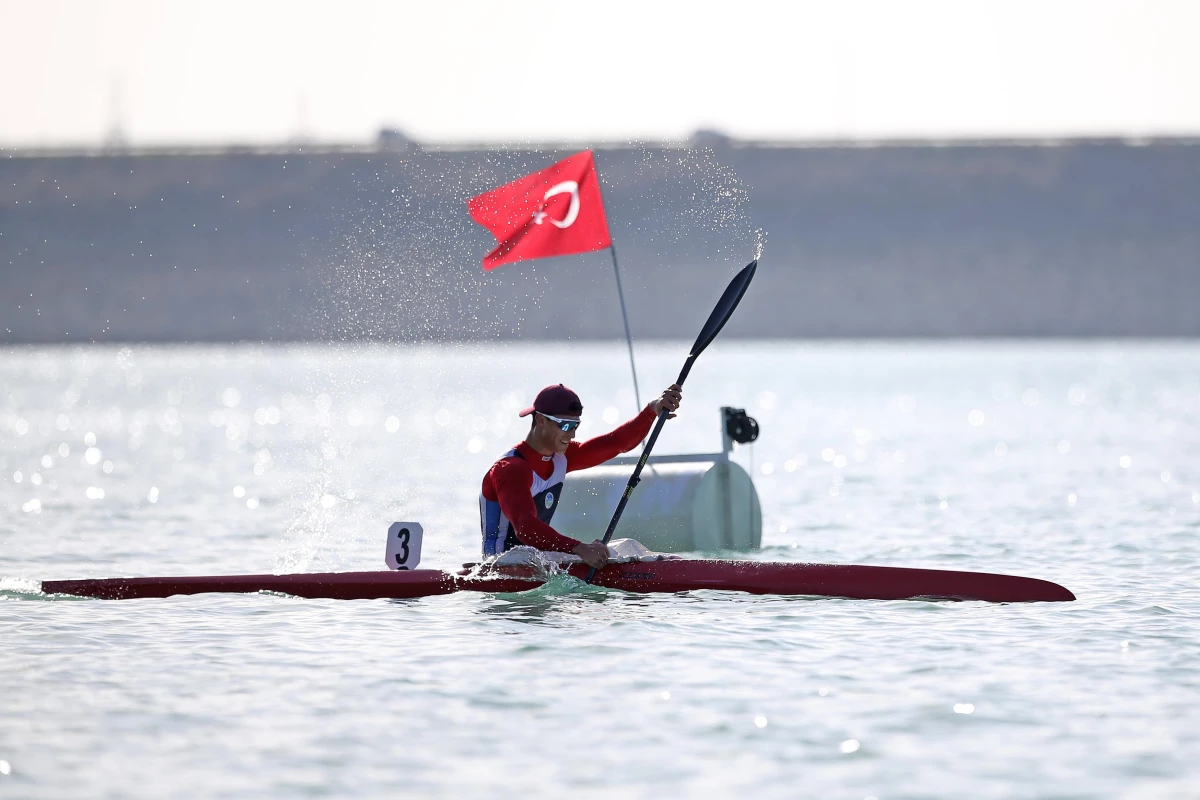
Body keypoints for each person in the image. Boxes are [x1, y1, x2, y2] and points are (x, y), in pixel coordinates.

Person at [479, 383, 682, 570]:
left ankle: (677, 570)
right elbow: (525, 528)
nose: (572, 434)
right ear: (540, 420)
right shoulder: (511, 468)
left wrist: (651, 411)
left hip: (539, 558)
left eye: (575, 425)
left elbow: (616, 443)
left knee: (627, 547)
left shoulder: (560, 458)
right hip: (501, 564)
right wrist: (578, 548)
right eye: (565, 425)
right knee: (550, 554)